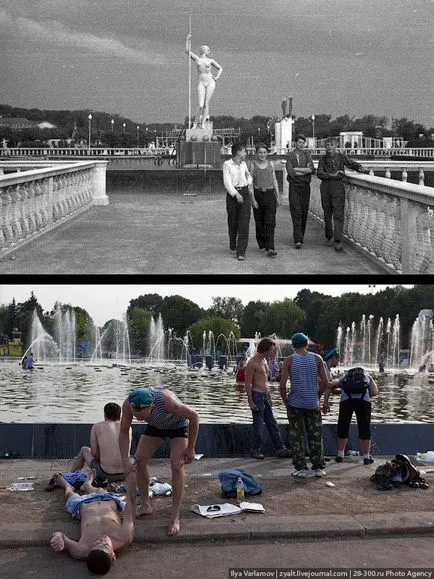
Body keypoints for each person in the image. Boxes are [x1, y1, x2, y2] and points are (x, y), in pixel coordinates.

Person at [119, 386, 200, 536]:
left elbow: (194, 417)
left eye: (142, 417)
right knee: (139, 460)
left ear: (152, 407)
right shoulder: (128, 405)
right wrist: (125, 459)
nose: (138, 419)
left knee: (177, 464)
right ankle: (145, 504)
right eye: (137, 416)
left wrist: (191, 448)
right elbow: (124, 431)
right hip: (156, 426)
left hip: (178, 426)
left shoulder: (169, 403)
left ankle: (174, 516)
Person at [49, 469, 137, 575]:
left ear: (89, 551)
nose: (101, 540)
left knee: (70, 494)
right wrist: (131, 488)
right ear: (113, 555)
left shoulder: (80, 550)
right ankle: (87, 485)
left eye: (96, 544)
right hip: (107, 500)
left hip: (81, 504)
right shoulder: (125, 537)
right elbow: (129, 510)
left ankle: (67, 485)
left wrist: (57, 538)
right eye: (106, 545)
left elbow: (60, 535)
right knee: (100, 490)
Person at [279, 332, 330, 478]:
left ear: (293, 346)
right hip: (312, 403)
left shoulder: (289, 360)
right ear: (307, 344)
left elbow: (282, 386)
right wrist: (317, 396)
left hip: (295, 403)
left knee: (297, 435)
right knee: (315, 435)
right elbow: (325, 383)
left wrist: (285, 402)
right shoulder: (317, 358)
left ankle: (300, 468)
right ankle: (318, 468)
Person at [316, 136, 369, 252]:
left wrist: (359, 167)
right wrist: (333, 175)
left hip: (338, 188)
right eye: (327, 145)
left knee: (338, 214)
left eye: (331, 145)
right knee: (327, 213)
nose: (329, 147)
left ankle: (338, 241)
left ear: (335, 146)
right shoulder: (323, 159)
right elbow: (319, 172)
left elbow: (351, 164)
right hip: (326, 187)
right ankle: (329, 236)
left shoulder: (341, 157)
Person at [245, 337, 290, 460]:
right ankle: (255, 449)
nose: (272, 353)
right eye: (271, 350)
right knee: (258, 425)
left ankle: (280, 449)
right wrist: (250, 401)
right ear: (264, 349)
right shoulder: (252, 363)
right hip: (256, 396)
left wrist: (269, 396)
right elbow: (248, 383)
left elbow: (265, 381)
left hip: (264, 395)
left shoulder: (264, 361)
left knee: (272, 423)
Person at [322, 366, 379, 465]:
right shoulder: (367, 376)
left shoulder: (345, 376)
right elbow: (374, 392)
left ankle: (340, 455)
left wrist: (325, 403)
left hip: (346, 401)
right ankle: (366, 457)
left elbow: (330, 385)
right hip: (363, 401)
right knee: (364, 427)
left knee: (343, 426)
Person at [70, 403, 130, 484]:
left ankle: (70, 476)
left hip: (105, 474)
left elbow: (94, 453)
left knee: (84, 450)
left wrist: (106, 457)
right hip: (125, 474)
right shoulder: (128, 427)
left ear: (105, 415)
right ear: (119, 415)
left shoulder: (97, 426)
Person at [222, 142, 254, 261]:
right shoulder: (227, 164)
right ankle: (232, 243)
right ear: (238, 152)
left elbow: (249, 177)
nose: (246, 153)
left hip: (245, 193)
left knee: (244, 223)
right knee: (233, 222)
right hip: (233, 195)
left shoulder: (244, 164)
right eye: (244, 151)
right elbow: (227, 182)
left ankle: (241, 251)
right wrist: (235, 194)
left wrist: (249, 180)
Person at [185, 33, 223, 129]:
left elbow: (220, 68)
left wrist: (217, 77)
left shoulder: (211, 61)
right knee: (201, 105)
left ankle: (202, 124)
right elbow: (187, 51)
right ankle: (195, 123)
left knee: (206, 104)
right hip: (201, 82)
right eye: (208, 50)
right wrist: (188, 39)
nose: (209, 51)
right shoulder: (197, 59)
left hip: (210, 82)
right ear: (203, 50)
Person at [249, 143, 280, 257]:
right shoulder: (252, 165)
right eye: (260, 152)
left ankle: (270, 247)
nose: (262, 154)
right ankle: (261, 243)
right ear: (256, 153)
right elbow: (250, 183)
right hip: (258, 194)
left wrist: (278, 196)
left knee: (270, 221)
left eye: (264, 152)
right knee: (260, 222)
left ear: (267, 153)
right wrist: (253, 199)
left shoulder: (271, 164)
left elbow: (274, 180)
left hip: (270, 194)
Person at [286, 134, 315, 249]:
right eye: (299, 142)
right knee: (296, 211)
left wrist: (297, 169)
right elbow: (290, 171)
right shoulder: (290, 155)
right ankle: (297, 239)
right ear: (295, 143)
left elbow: (311, 169)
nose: (301, 144)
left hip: (305, 186)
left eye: (303, 142)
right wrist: (303, 171)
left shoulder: (307, 154)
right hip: (294, 186)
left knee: (303, 211)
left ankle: (300, 235)